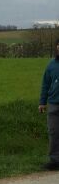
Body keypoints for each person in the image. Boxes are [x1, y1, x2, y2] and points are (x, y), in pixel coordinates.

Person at [38, 37, 59, 171]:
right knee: (53, 132)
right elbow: (45, 84)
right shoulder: (51, 65)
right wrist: (42, 102)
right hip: (53, 104)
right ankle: (55, 160)